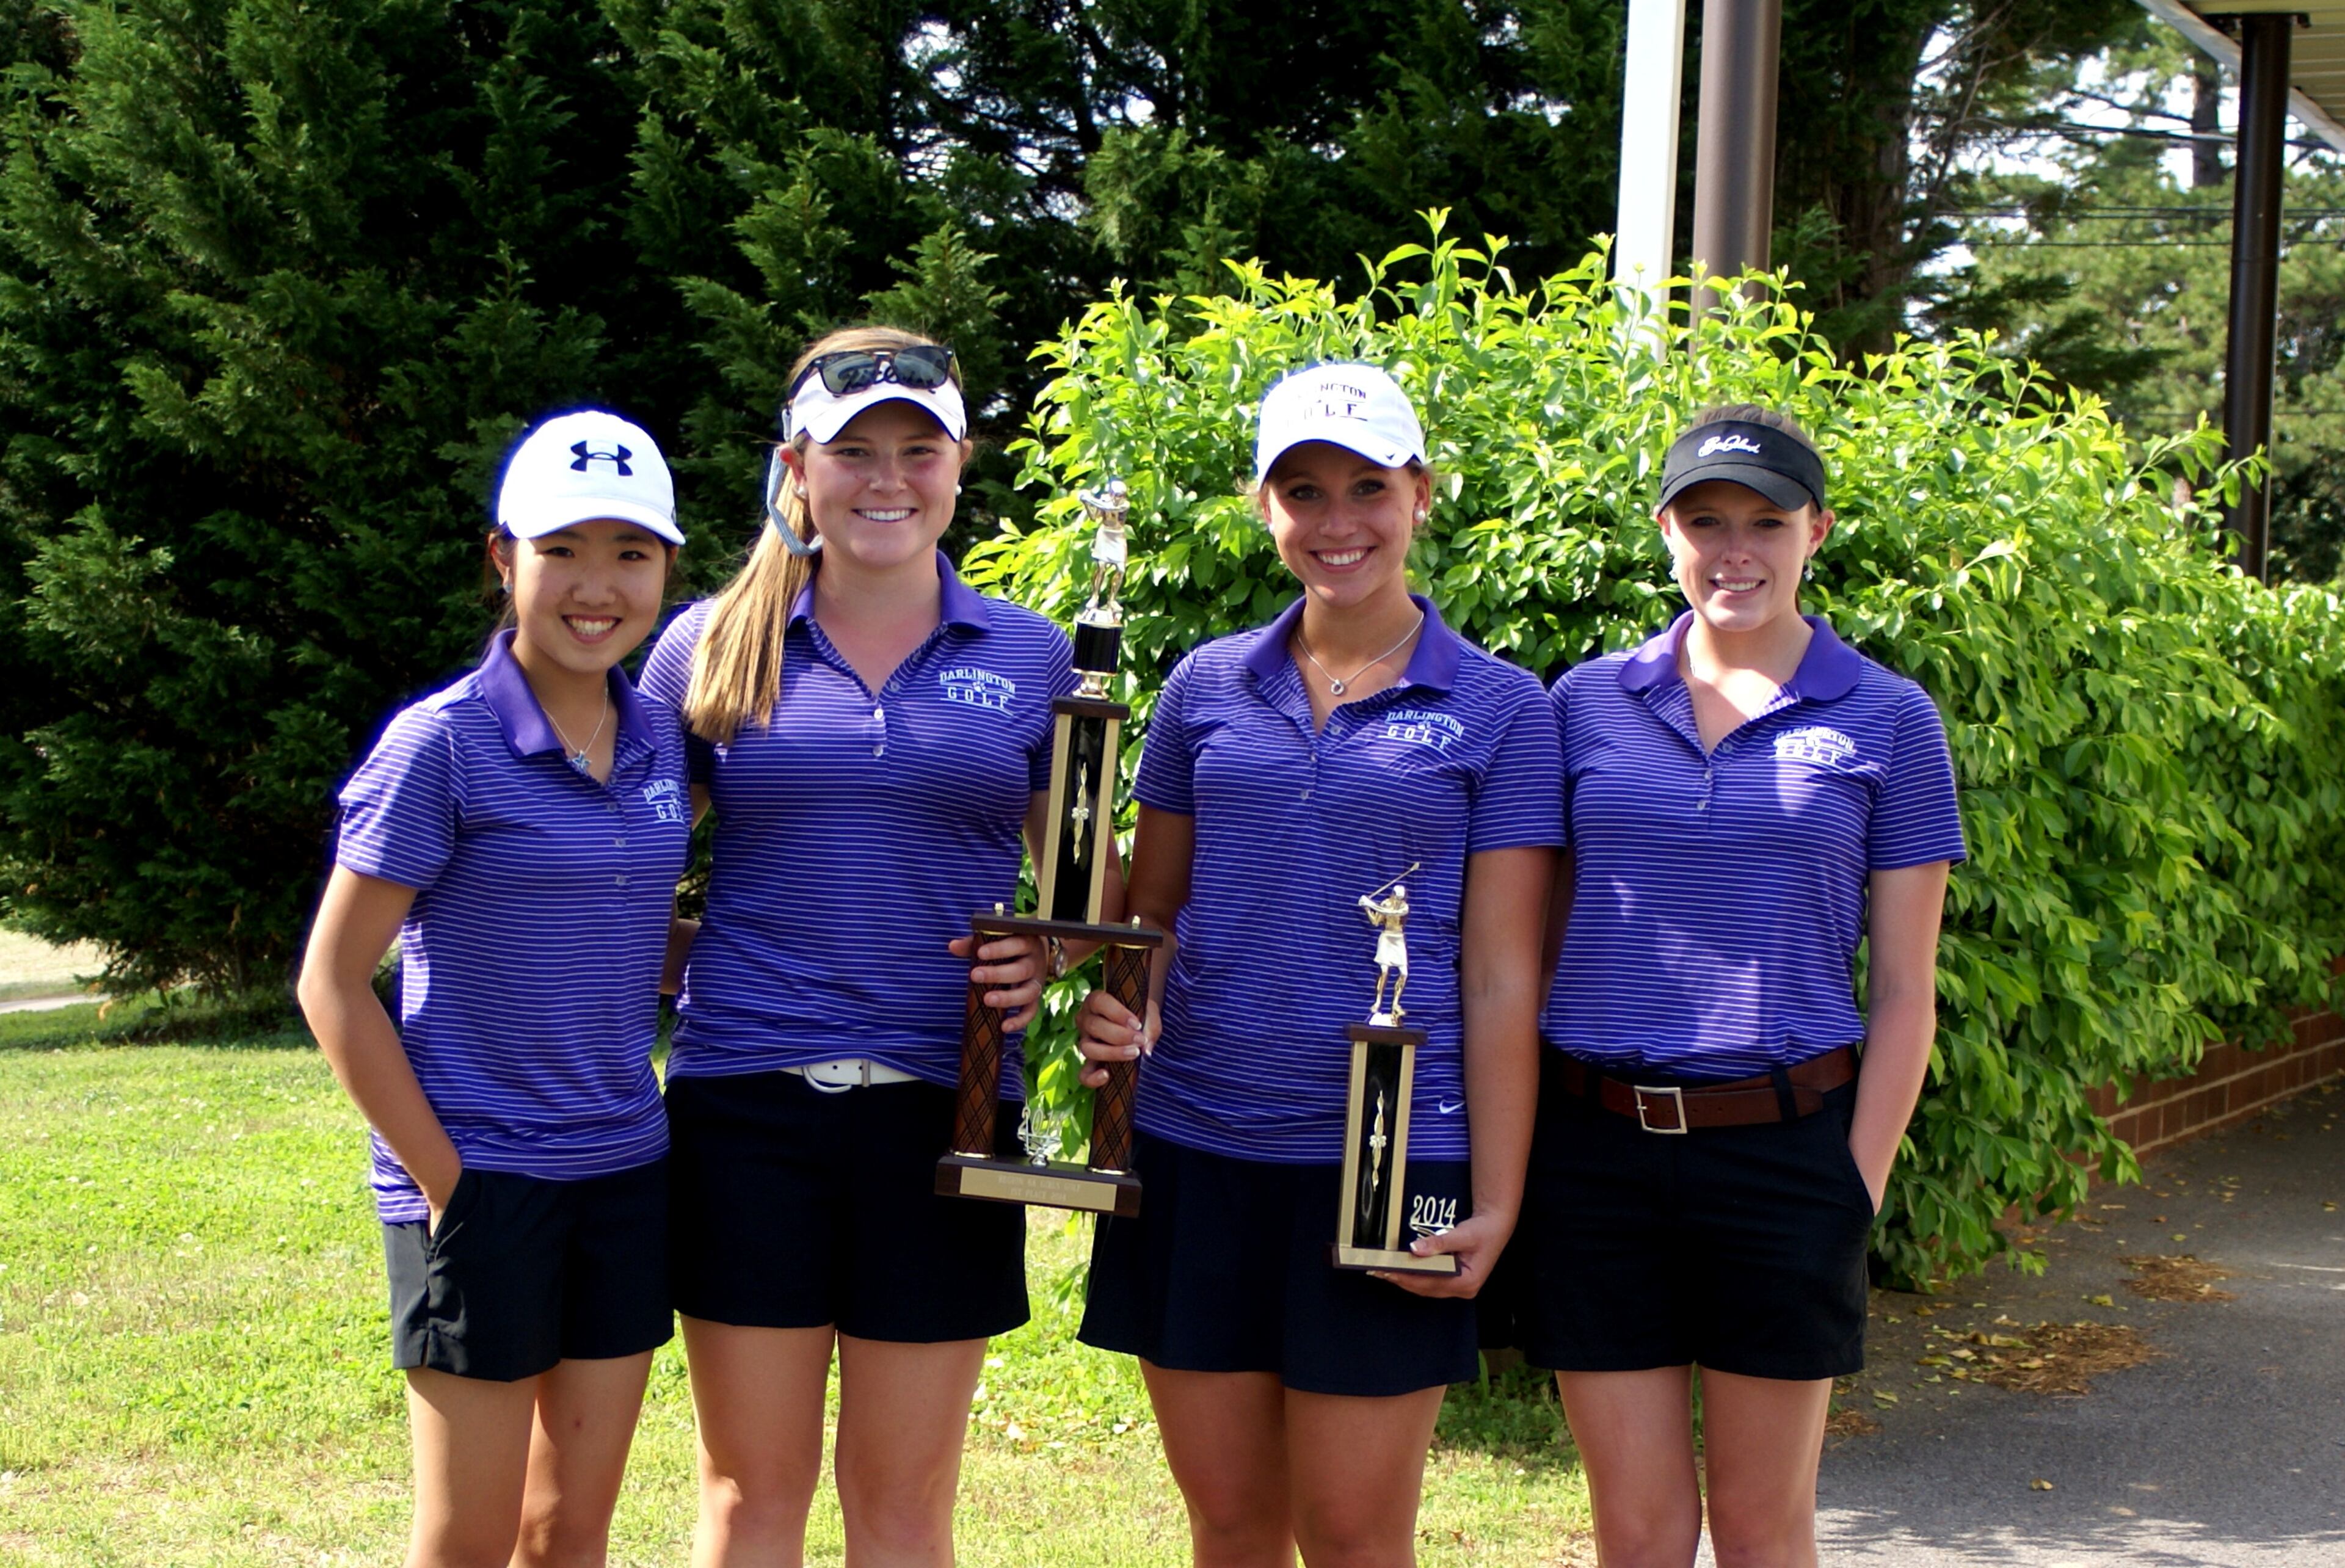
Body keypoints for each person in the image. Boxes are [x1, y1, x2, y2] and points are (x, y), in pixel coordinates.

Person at [1072, 363, 1562, 1567]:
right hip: (1195, 1148)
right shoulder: (1205, 686)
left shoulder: (1504, 708)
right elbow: (1155, 913)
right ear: (1264, 506)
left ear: (1421, 496)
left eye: (1368, 488)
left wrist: (1500, 1199)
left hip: (1392, 1157)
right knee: (1231, 1523)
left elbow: (1502, 976)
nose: (1338, 521)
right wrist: (1122, 1008)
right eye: (1304, 492)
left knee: (1353, 1533)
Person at [635, 325, 1071, 1567]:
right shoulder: (710, 644)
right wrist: (690, 950)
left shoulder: (1032, 653)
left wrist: (1050, 956)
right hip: (744, 1110)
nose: (888, 479)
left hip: (948, 1113)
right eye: (854, 452)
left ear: (961, 465)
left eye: (917, 451)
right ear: (798, 467)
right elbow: (616, 863)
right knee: (748, 1497)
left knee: (905, 1507)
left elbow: (1081, 893)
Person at [1517, 404, 1966, 1567]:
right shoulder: (1582, 705)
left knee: (1766, 1531)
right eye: (1706, 520)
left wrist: (1855, 1185)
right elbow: (1535, 949)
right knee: (1638, 1531)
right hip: (1597, 1155)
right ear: (1666, 531)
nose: (1735, 550)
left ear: (1817, 531)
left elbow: (1906, 990)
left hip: (1785, 1155)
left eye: (1766, 522)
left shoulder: (1889, 717)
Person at [297, 409, 691, 1568]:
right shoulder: (440, 744)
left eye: (631, 552)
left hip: (625, 1174)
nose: (597, 585)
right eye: (562, 549)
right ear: (503, 559)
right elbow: (332, 981)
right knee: (466, 1540)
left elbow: (617, 918)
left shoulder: (664, 740)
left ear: (666, 569)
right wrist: (445, 1182)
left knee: (570, 1531)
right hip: (480, 1181)